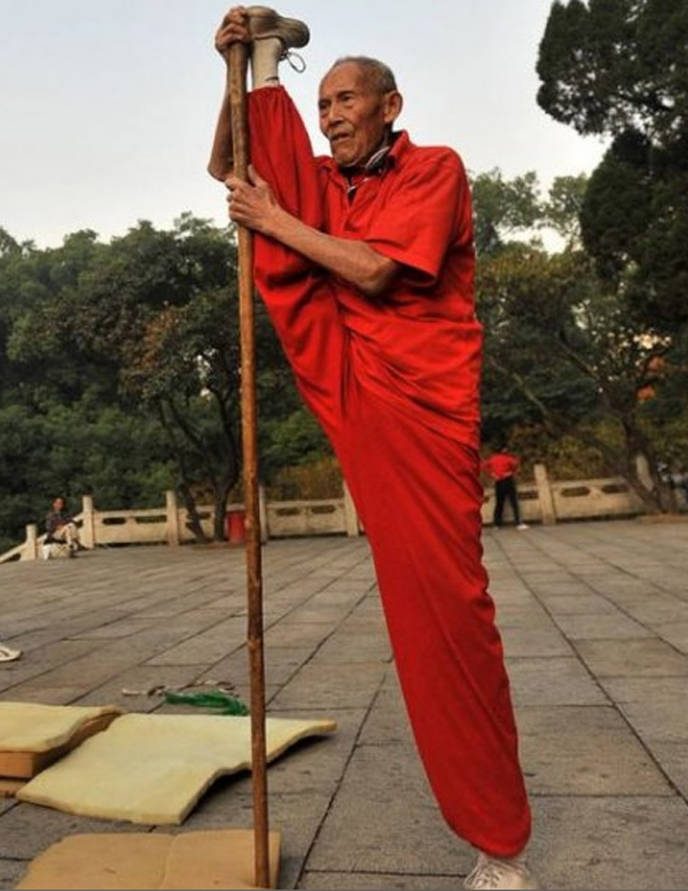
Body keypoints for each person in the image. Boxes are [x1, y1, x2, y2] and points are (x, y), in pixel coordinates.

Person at [209, 8, 535, 888]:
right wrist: (243, 72)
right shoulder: (327, 182)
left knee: (442, 602)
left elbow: (377, 272)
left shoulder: (434, 168)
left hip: (418, 400)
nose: (334, 115)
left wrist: (272, 222)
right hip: (343, 362)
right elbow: (238, 165)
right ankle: (277, 56)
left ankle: (497, 844)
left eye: (345, 98)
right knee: (279, 180)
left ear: (392, 104)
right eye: (321, 105)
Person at [482, 447, 529, 530]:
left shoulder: (493, 459)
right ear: (503, 450)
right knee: (514, 502)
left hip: (498, 481)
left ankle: (496, 524)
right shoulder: (508, 458)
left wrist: (492, 474)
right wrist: (511, 472)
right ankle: (518, 523)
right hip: (508, 480)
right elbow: (517, 465)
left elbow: (483, 466)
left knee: (499, 503)